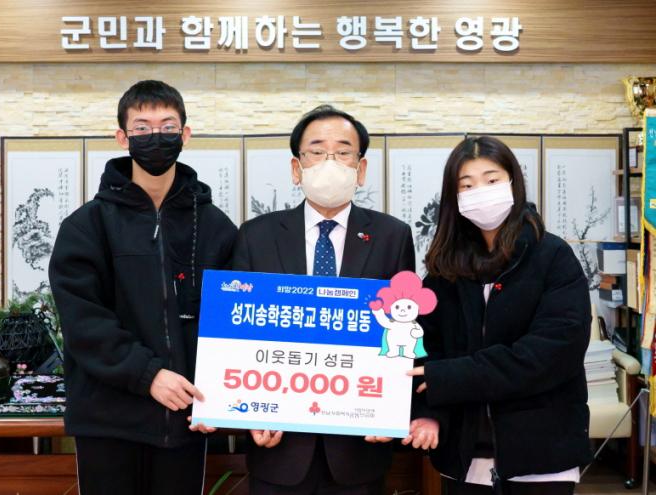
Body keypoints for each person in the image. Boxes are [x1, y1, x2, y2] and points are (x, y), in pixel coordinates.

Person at [49, 80, 237, 495]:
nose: (156, 137)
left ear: (185, 134)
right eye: (142, 128)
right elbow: (84, 323)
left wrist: (221, 393)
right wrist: (148, 375)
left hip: (186, 416)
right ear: (122, 137)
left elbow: (230, 320)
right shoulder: (86, 226)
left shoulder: (215, 226)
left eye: (168, 127)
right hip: (107, 420)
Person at [232, 104, 415, 494]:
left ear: (360, 169)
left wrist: (391, 409)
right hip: (277, 446)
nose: (330, 161)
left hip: (359, 449)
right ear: (296, 168)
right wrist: (248, 411)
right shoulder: (256, 235)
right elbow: (238, 335)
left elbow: (405, 330)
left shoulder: (392, 237)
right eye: (316, 151)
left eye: (343, 151)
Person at [406, 136, 592, 495]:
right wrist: (428, 412)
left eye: (491, 180)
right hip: (463, 457)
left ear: (513, 182)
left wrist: (453, 376)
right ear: (454, 196)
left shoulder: (552, 257)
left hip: (541, 455)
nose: (480, 191)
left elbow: (551, 354)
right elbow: (423, 349)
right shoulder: (446, 268)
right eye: (467, 185)